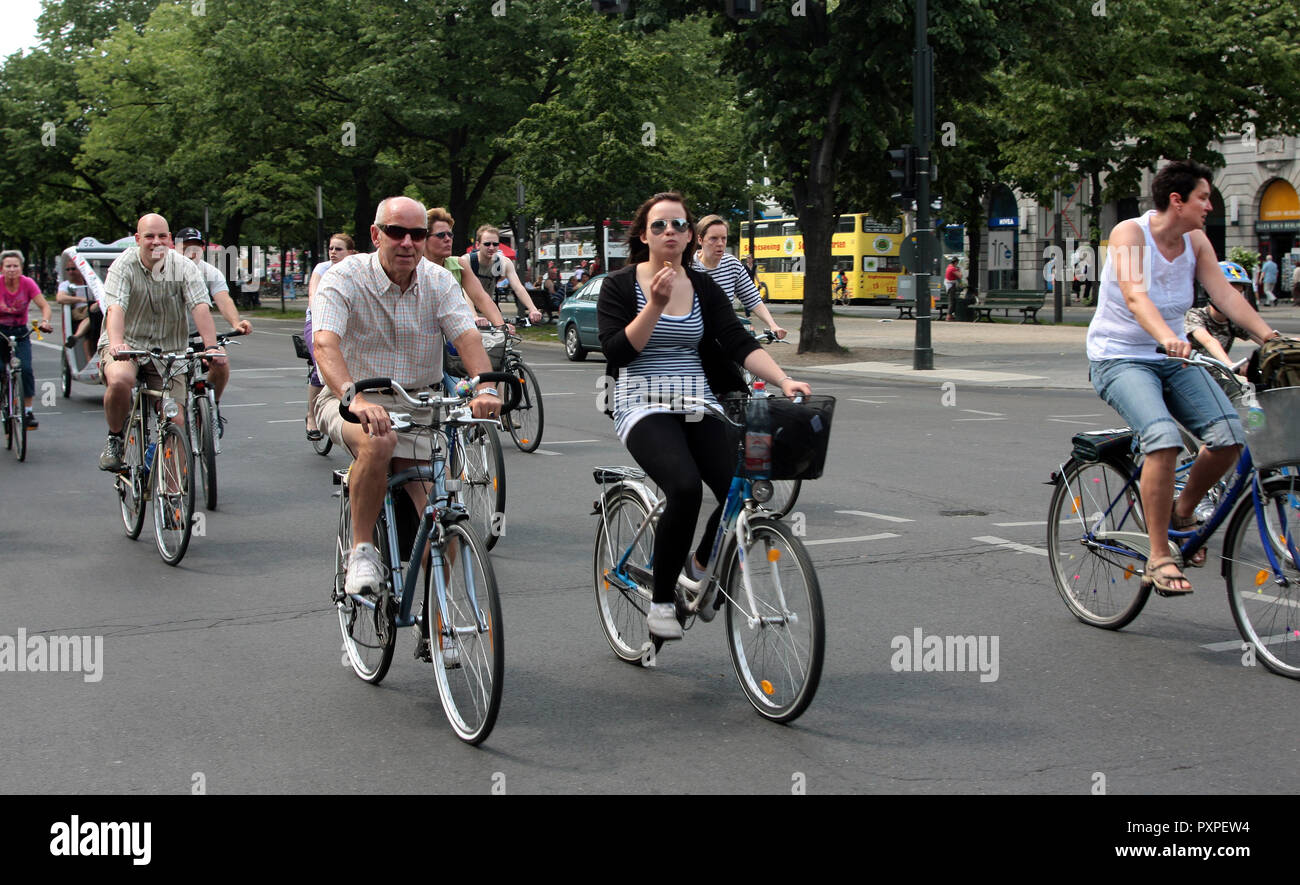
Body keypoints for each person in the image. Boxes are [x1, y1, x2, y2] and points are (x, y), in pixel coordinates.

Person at [597, 192, 810, 640]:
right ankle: (659, 604)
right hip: (641, 402)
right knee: (684, 487)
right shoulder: (619, 285)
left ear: (689, 236)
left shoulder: (705, 287)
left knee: (746, 483)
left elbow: (737, 342)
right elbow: (617, 351)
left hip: (698, 402)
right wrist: (653, 305)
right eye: (659, 226)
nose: (669, 232)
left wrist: (783, 380)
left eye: (678, 225)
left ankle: (699, 566)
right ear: (644, 235)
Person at [1086, 160, 1282, 596]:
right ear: (1177, 201)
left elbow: (1225, 293)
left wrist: (1269, 338)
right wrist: (1166, 337)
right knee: (1162, 438)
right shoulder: (1130, 234)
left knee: (1231, 433)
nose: (1210, 206)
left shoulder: (1195, 241)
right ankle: (1159, 556)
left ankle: (1183, 510)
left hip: (1172, 358)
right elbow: (1136, 296)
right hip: (1121, 358)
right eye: (1204, 198)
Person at [312, 196, 502, 599]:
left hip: (419, 403)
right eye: (396, 233)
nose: (407, 243)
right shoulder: (344, 277)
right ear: (375, 234)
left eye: (417, 234)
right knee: (378, 441)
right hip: (352, 397)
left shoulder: (437, 280)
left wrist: (485, 387)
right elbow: (325, 343)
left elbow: (466, 336)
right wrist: (354, 398)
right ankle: (362, 551)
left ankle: (439, 620)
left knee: (443, 511)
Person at [97, 215, 223, 471]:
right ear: (137, 239)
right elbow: (115, 308)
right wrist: (118, 343)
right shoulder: (123, 266)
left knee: (175, 419)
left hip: (168, 350)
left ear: (170, 238)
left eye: (162, 236)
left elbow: (199, 305)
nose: (156, 242)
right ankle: (115, 438)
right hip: (128, 344)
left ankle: (174, 498)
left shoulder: (184, 266)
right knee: (121, 380)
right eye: (149, 236)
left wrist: (211, 347)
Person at [175, 228, 254, 438]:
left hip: (198, 334)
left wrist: (236, 322)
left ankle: (213, 407)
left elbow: (223, 299)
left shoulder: (209, 272)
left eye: (197, 247)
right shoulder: (166, 271)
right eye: (186, 247)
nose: (192, 252)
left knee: (221, 362)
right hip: (171, 337)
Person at [692, 215, 787, 338]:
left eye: (724, 238)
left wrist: (773, 325)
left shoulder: (732, 265)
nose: (720, 244)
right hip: (695, 337)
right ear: (700, 240)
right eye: (713, 239)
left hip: (724, 336)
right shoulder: (688, 266)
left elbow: (753, 299)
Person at [304, 233, 355, 441]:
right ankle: (312, 416)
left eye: (339, 249)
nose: (333, 252)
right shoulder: (322, 269)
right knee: (322, 365)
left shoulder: (356, 270)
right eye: (331, 248)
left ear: (351, 252)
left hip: (348, 323)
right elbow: (314, 297)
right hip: (318, 322)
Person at [0, 250, 54, 428]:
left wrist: (45, 322)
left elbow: (44, 305)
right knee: (0, 369)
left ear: (21, 268)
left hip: (20, 332)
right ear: (2, 268)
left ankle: (28, 411)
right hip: (0, 332)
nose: (12, 269)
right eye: (8, 266)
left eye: (15, 266)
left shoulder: (28, 284)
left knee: (26, 369)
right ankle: (3, 403)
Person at [1184, 262, 1254, 394]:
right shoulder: (1195, 315)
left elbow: (1260, 335)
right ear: (1210, 292)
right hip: (1190, 381)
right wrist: (1230, 365)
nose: (1234, 298)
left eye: (1239, 293)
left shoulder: (1233, 321)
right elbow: (1208, 341)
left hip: (1214, 382)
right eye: (1229, 292)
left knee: (1248, 397)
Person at [467, 225, 542, 325]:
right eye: (487, 244)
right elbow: (466, 292)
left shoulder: (503, 263)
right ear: (477, 245)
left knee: (505, 333)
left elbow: (518, 287)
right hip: (463, 310)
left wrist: (533, 309)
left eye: (495, 244)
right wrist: (474, 316)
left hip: (485, 310)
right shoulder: (467, 261)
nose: (491, 247)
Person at [55, 249, 101, 363]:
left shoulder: (91, 283)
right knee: (92, 312)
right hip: (77, 312)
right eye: (68, 269)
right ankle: (89, 358)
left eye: (73, 269)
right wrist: (81, 299)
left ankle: (76, 337)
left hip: (91, 314)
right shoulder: (66, 285)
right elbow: (60, 298)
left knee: (92, 318)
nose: (70, 272)